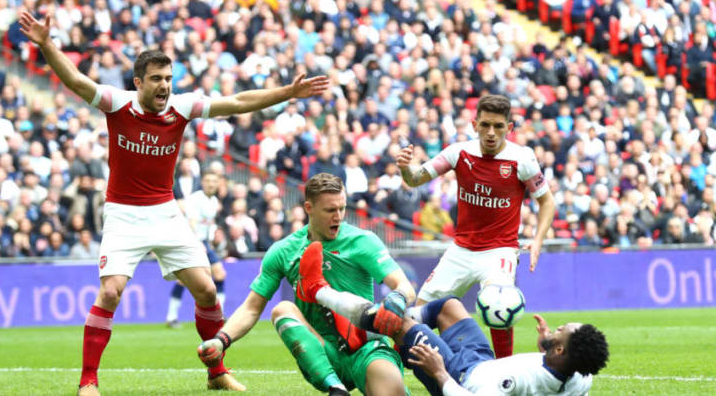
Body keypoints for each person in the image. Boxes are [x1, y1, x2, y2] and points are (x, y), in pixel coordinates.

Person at [18, 11, 329, 396]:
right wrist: (46, 43)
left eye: (168, 79)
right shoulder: (118, 103)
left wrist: (286, 93)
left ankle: (216, 372)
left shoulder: (180, 108)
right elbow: (77, 81)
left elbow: (235, 101)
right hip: (123, 212)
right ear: (138, 82)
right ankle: (88, 382)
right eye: (157, 80)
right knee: (111, 291)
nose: (165, 86)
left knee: (207, 292)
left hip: (166, 211)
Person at [197, 173, 416, 396]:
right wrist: (221, 341)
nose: (338, 216)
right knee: (282, 309)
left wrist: (398, 299)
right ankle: (336, 389)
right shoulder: (284, 251)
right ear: (309, 208)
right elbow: (252, 307)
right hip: (321, 354)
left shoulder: (363, 241)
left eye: (341, 208)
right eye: (330, 210)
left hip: (366, 348)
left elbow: (404, 286)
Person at [297, 251, 609, 395]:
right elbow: (554, 376)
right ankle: (368, 329)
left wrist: (440, 374)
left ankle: (319, 292)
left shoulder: (503, 386)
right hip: (482, 360)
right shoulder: (581, 377)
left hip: (459, 375)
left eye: (561, 331)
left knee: (402, 326)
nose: (557, 327)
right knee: (450, 305)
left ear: (559, 351)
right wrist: (546, 344)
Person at [396, 94, 556, 358]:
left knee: (499, 304)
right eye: (485, 125)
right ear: (474, 124)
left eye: (498, 126)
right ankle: (393, 366)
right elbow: (415, 179)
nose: (491, 133)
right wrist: (405, 168)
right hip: (461, 250)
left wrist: (538, 240)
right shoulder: (459, 153)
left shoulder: (522, 159)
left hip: (500, 251)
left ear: (510, 128)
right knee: (416, 315)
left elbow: (547, 202)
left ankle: (503, 374)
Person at [166, 170, 227, 329]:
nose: (211, 184)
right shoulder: (195, 199)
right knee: (185, 279)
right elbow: (191, 221)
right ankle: (172, 316)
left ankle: (220, 312)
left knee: (219, 274)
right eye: (208, 181)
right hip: (191, 241)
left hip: (204, 242)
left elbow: (208, 223)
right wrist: (196, 242)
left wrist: (210, 239)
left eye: (214, 181)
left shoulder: (213, 200)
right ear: (202, 183)